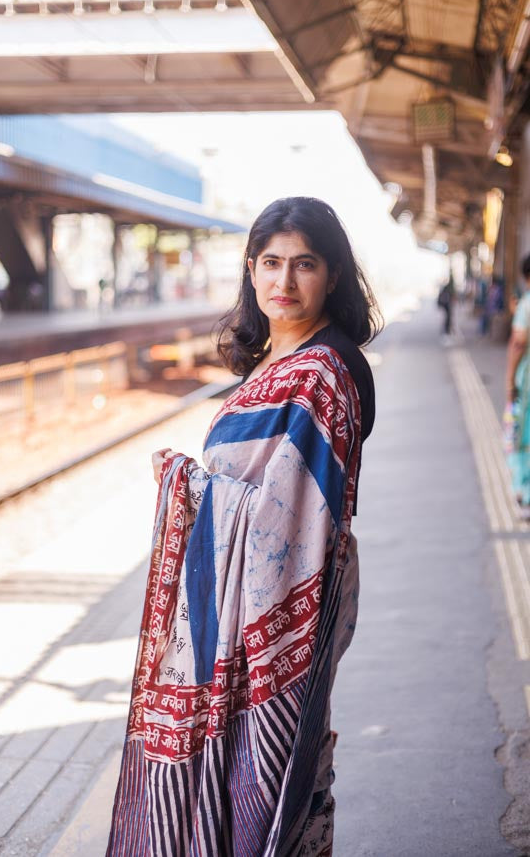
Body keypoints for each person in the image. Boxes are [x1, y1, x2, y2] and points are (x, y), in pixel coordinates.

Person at [106, 196, 381, 856]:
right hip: (233, 603)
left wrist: (185, 484)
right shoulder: (270, 357)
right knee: (257, 772)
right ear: (251, 271)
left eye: (305, 265)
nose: (284, 283)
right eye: (271, 263)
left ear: (333, 275)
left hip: (285, 606)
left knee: (274, 772)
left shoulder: (324, 371)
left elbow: (288, 518)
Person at [505, 254, 530, 518]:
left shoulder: (526, 304)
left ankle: (525, 495)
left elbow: (519, 342)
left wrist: (509, 380)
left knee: (523, 436)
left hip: (528, 384)